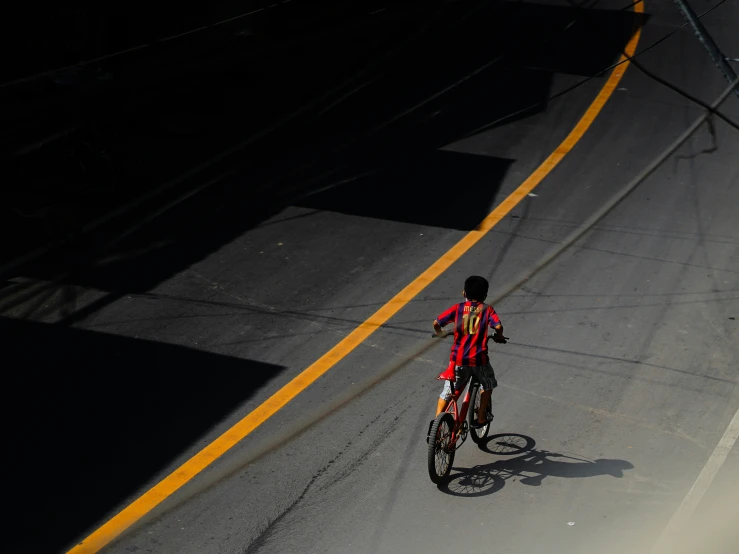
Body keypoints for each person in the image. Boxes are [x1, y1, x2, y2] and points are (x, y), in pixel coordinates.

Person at [433, 275, 506, 428]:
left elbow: (437, 323)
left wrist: (440, 333)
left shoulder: (457, 309)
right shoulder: (487, 309)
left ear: (464, 293)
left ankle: (436, 426)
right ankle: (480, 418)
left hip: (458, 360)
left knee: (447, 392)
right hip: (479, 361)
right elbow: (498, 327)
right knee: (487, 385)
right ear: (485, 295)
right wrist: (499, 336)